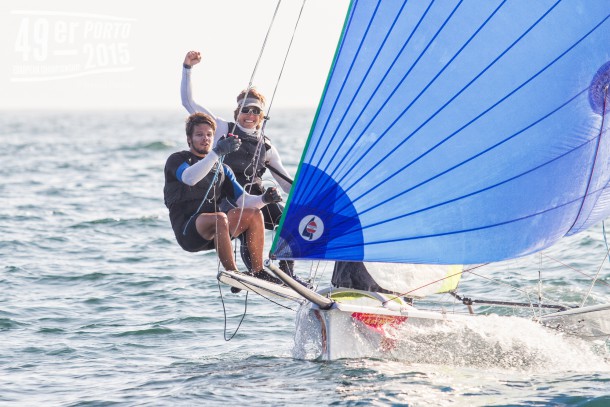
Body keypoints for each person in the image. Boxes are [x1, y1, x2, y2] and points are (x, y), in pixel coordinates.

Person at [180, 50, 306, 285]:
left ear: (262, 117)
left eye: (255, 111)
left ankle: (287, 272)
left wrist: (313, 193)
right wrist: (187, 68)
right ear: (237, 112)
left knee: (292, 219)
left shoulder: (266, 146)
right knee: (252, 215)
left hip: (258, 198)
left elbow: (286, 184)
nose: (250, 115)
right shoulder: (221, 128)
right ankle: (256, 271)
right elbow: (188, 103)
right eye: (245, 110)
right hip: (227, 199)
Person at [164, 112, 284, 288]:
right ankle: (233, 274)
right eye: (199, 135)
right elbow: (190, 178)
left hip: (217, 233)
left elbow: (244, 202)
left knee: (253, 213)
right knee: (220, 217)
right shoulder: (178, 160)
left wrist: (265, 199)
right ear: (189, 139)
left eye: (209, 135)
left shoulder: (222, 168)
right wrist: (217, 152)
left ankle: (258, 271)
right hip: (189, 234)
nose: (205, 139)